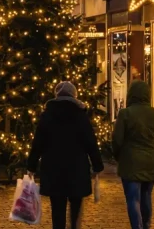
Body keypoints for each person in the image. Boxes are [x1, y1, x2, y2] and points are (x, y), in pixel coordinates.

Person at [26, 81, 103, 229]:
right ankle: (74, 226)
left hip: (53, 168)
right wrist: (97, 165)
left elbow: (38, 143)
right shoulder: (80, 115)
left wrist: (31, 165)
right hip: (77, 168)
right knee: (75, 205)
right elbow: (90, 142)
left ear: (57, 95)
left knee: (57, 207)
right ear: (74, 95)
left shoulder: (47, 115)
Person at [113, 80, 154, 229]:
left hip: (131, 161)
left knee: (133, 198)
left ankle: (137, 227)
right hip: (152, 161)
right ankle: (147, 225)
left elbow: (117, 139)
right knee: (146, 195)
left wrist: (118, 155)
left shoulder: (125, 113)